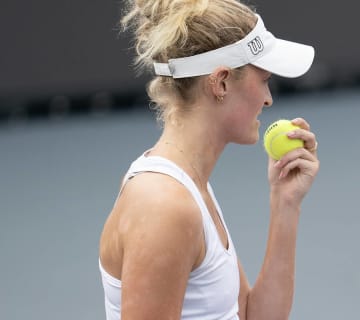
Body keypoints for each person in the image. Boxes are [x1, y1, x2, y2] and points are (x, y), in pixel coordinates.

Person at [98, 0, 319, 319]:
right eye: (264, 80)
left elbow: (251, 316)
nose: (269, 98)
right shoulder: (164, 206)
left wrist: (285, 203)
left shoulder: (189, 190)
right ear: (221, 83)